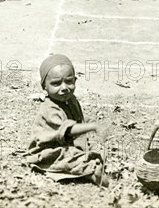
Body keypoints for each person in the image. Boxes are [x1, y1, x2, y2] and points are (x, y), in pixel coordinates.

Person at [26, 54, 109, 186]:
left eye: (69, 81)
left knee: (95, 149)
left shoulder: (71, 100)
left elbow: (78, 118)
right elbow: (69, 129)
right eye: (56, 83)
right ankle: (91, 172)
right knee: (68, 156)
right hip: (49, 149)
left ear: (75, 80)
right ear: (44, 86)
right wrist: (93, 126)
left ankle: (92, 163)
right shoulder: (49, 109)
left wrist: (88, 120)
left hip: (68, 144)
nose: (64, 88)